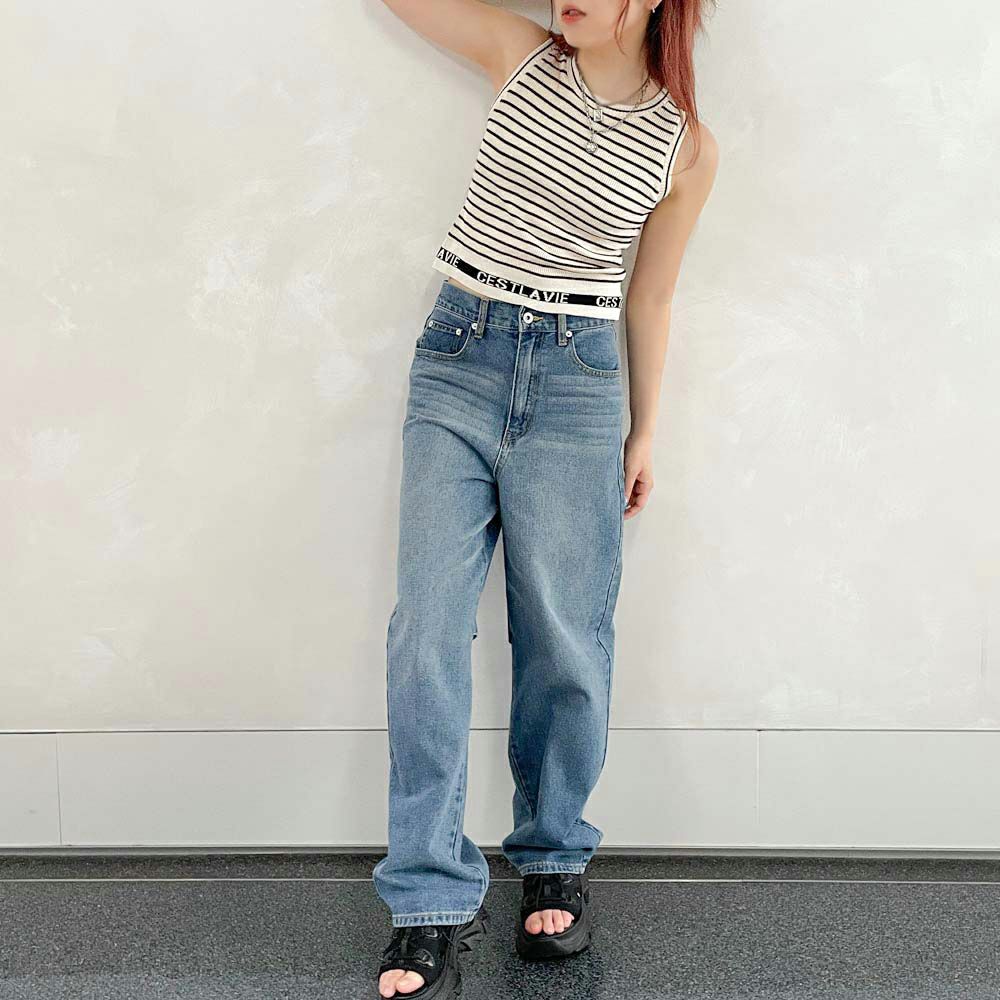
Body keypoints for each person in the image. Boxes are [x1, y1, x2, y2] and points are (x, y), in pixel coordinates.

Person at [372, 1, 718, 996]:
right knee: (426, 628)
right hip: (459, 354)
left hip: (579, 379)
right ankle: (428, 900)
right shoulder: (520, 53)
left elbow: (652, 295)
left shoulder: (687, 148)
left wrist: (643, 430)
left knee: (566, 634)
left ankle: (554, 853)